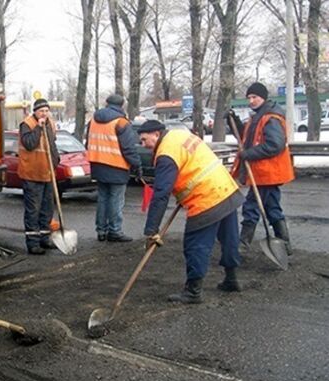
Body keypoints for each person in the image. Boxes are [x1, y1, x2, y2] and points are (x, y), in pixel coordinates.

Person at [137, 120, 245, 304]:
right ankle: (231, 278)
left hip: (207, 198)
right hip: (226, 189)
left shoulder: (166, 153)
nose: (143, 145)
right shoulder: (180, 135)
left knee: (196, 245)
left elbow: (161, 193)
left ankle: (193, 291)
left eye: (144, 140)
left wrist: (151, 229)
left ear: (156, 134)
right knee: (229, 239)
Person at [229, 82, 295, 255]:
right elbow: (248, 136)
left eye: (254, 97)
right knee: (272, 207)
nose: (251, 100)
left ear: (263, 98)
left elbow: (275, 145)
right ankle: (285, 244)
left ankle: (242, 245)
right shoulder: (258, 116)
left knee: (251, 207)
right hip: (263, 173)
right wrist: (234, 122)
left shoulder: (271, 117)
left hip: (268, 172)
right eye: (249, 97)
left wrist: (248, 154)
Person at [87, 93, 142, 242]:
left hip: (98, 164)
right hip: (116, 166)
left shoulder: (93, 120)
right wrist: (137, 165)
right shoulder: (121, 122)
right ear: (122, 105)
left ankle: (101, 231)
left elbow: (88, 142)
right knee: (116, 200)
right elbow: (129, 148)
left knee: (103, 199)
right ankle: (115, 231)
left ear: (106, 103)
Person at [18, 98, 60, 255]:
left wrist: (56, 160)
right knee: (33, 210)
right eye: (41, 111)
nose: (44, 113)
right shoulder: (27, 124)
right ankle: (33, 242)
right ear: (35, 111)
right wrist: (38, 127)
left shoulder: (51, 123)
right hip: (32, 173)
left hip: (47, 172)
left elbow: (52, 144)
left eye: (46, 110)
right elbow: (29, 143)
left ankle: (45, 238)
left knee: (47, 209)